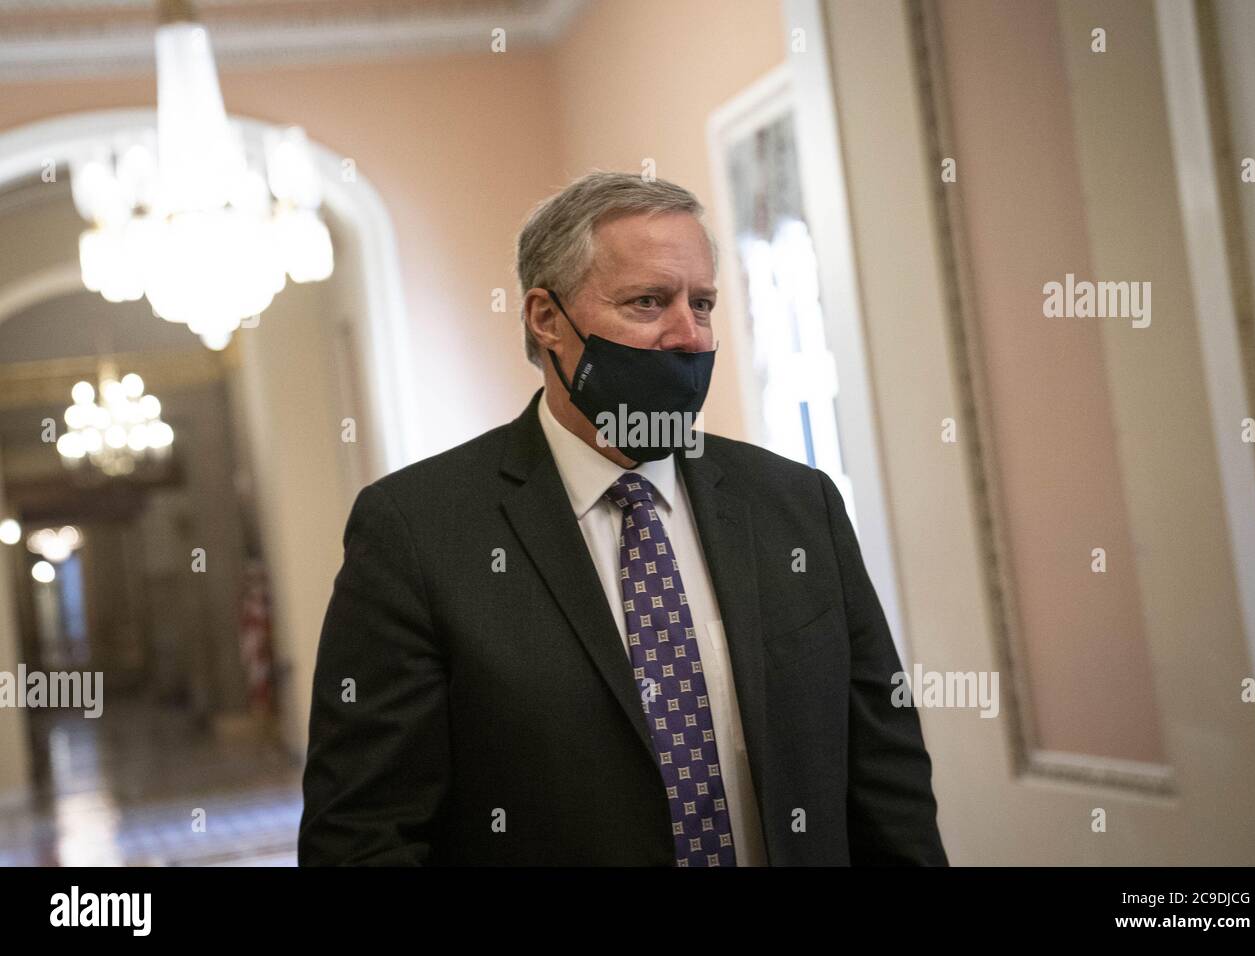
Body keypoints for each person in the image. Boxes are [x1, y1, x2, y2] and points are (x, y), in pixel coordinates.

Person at [298, 170, 947, 866]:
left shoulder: (797, 506)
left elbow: (887, 779)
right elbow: (363, 835)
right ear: (547, 319)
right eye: (649, 302)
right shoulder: (418, 531)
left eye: (702, 304)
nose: (689, 336)